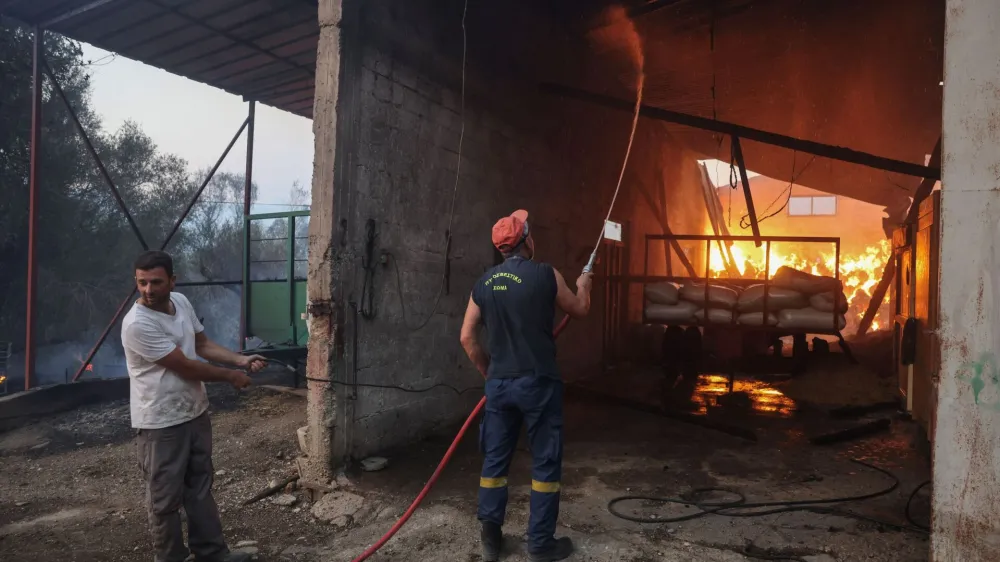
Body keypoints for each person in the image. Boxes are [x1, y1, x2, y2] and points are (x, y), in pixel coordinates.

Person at [460, 210, 594, 562]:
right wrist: (585, 282)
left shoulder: (483, 284)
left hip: (500, 387)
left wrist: (490, 373)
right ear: (527, 240)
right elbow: (579, 308)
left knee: (495, 462)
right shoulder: (545, 275)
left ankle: (491, 542)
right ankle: (539, 545)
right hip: (538, 384)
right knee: (545, 463)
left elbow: (467, 336)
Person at [121, 250, 267, 562]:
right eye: (142, 283)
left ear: (172, 281)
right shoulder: (137, 324)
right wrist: (231, 376)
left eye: (156, 282)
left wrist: (240, 359)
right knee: (164, 500)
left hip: (194, 411)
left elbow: (202, 345)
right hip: (160, 422)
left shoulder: (182, 303)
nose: (148, 290)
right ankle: (171, 558)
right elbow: (185, 366)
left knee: (200, 486)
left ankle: (212, 553)